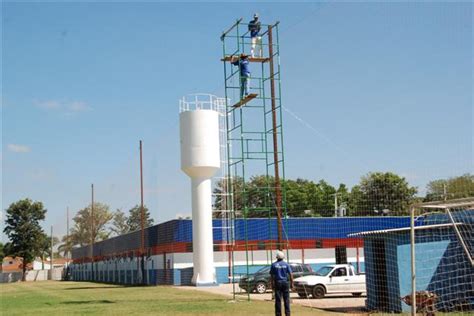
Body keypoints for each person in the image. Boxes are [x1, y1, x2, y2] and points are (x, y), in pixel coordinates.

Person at [270, 250, 293, 316]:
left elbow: (272, 275)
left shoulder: (273, 265)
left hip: (278, 283)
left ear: (277, 257)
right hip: (285, 283)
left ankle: (278, 314)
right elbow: (291, 274)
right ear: (283, 257)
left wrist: (272, 284)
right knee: (286, 300)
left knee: (278, 300)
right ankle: (288, 314)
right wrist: (292, 284)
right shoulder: (286, 264)